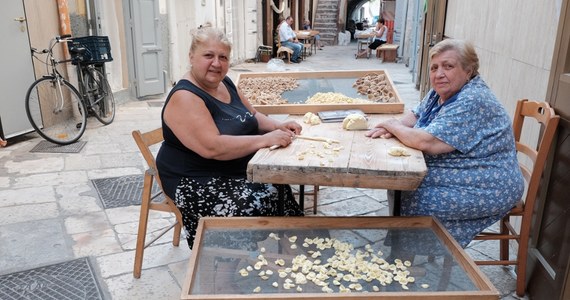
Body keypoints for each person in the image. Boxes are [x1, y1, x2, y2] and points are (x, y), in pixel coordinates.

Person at [156, 25, 304, 249]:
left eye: (223, 57)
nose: (216, 63)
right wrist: (265, 139)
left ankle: (290, 247)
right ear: (191, 57)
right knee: (250, 203)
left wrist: (279, 126)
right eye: (208, 55)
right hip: (195, 178)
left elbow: (252, 115)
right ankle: (222, 268)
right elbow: (212, 147)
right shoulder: (186, 96)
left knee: (279, 185)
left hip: (228, 169)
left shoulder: (224, 82)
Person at [365, 39, 524, 248]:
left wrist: (391, 125)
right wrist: (392, 127)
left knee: (415, 194)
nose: (439, 73)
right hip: (465, 170)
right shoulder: (442, 90)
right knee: (402, 182)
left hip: (489, 182)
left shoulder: (473, 99)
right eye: (434, 67)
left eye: (448, 66)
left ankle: (410, 256)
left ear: (468, 70)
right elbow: (415, 115)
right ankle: (404, 248)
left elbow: (427, 142)